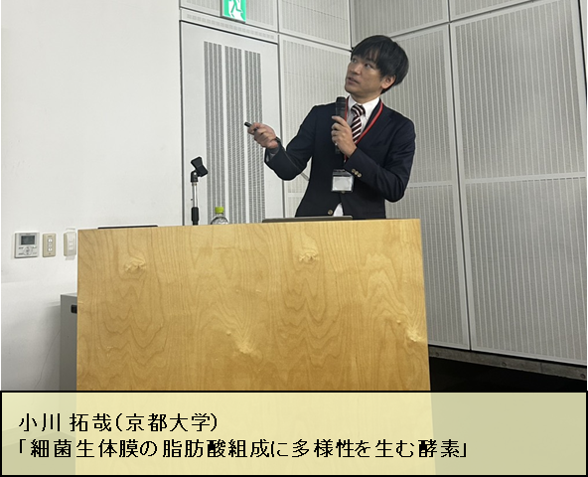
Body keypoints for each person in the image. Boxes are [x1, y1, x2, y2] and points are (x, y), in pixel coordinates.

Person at [248, 35, 415, 219]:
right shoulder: (320, 115)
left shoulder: (399, 127)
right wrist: (274, 147)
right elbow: (289, 170)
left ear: (387, 80)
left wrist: (352, 152)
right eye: (354, 60)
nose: (354, 69)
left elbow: (395, 188)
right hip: (313, 223)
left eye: (367, 65)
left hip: (365, 228)